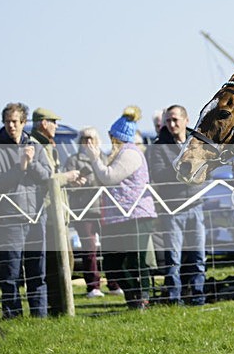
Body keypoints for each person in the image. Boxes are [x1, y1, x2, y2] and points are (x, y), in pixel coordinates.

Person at [0, 103, 52, 318]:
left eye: (15, 122)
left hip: (35, 217)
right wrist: (20, 166)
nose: (11, 126)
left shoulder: (36, 146)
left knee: (37, 272)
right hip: (10, 218)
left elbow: (46, 177)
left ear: (24, 123)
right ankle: (12, 316)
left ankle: (39, 316)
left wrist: (31, 163)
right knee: (11, 272)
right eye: (7, 122)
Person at [87, 106, 157, 309]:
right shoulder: (119, 154)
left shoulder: (130, 154)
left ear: (117, 137)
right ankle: (134, 298)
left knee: (136, 261)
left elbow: (109, 177)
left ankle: (141, 298)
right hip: (118, 217)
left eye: (111, 136)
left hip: (135, 215)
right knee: (113, 264)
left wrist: (94, 158)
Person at [147, 104, 207, 305]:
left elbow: (207, 166)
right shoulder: (158, 146)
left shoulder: (197, 141)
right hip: (172, 209)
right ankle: (174, 299)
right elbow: (158, 174)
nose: (172, 124)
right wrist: (184, 168)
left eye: (175, 120)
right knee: (173, 259)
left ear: (186, 120)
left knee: (199, 256)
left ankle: (198, 295)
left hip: (195, 204)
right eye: (168, 120)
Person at [30, 108, 83, 313]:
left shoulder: (49, 145)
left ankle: (61, 306)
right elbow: (46, 179)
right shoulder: (36, 146)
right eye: (53, 121)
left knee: (66, 263)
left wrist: (71, 181)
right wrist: (67, 177)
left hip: (59, 213)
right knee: (55, 265)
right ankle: (58, 308)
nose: (56, 126)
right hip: (49, 215)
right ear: (43, 123)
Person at [64, 127, 124, 298]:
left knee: (110, 248)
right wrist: (75, 183)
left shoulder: (105, 158)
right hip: (85, 211)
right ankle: (93, 287)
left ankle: (114, 283)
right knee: (89, 251)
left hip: (105, 210)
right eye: (84, 139)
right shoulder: (73, 161)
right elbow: (68, 186)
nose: (88, 142)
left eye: (91, 138)